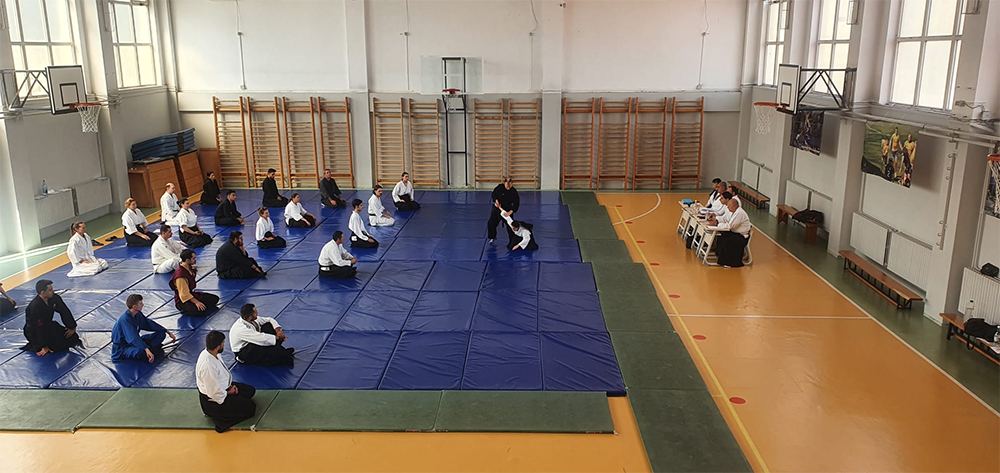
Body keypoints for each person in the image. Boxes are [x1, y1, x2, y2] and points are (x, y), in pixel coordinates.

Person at [197, 331, 256, 433]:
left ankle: (230, 404)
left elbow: (220, 378)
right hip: (213, 401)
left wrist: (230, 386)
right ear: (218, 347)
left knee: (250, 390)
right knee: (250, 408)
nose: (224, 344)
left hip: (223, 388)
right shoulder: (208, 366)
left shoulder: (212, 353)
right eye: (223, 343)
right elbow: (213, 393)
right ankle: (219, 419)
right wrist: (229, 392)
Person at [111, 294, 176, 363]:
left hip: (135, 342)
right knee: (140, 352)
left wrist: (166, 331)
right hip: (124, 347)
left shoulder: (138, 314)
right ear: (134, 306)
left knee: (161, 334)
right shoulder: (125, 320)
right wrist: (146, 349)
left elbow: (148, 323)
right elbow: (133, 337)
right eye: (140, 303)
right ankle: (147, 350)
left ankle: (148, 349)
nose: (143, 305)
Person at [22, 279, 80, 355]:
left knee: (73, 337)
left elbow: (64, 311)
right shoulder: (35, 307)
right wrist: (43, 345)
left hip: (49, 325)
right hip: (35, 331)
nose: (53, 291)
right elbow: (38, 327)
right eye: (50, 290)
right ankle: (44, 345)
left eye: (52, 289)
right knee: (55, 346)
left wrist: (71, 326)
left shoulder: (54, 298)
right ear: (43, 293)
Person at [169, 249, 220, 317]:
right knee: (201, 311)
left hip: (191, 293)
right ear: (187, 260)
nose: (195, 260)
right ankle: (185, 308)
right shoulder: (180, 276)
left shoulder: (189, 267)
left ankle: (199, 304)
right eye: (193, 258)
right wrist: (197, 302)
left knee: (214, 299)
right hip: (182, 300)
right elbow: (184, 294)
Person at [707, 198, 752, 268]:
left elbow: (730, 226)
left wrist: (717, 224)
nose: (727, 207)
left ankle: (729, 262)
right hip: (734, 233)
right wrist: (715, 219)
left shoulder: (739, 213)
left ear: (734, 206)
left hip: (741, 236)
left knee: (726, 240)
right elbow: (725, 219)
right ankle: (721, 258)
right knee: (721, 236)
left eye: (729, 206)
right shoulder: (732, 212)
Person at [487, 177, 519, 243]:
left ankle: (512, 241)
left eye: (510, 185)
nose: (508, 187)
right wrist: (496, 201)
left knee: (511, 226)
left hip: (508, 210)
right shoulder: (499, 188)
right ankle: (492, 237)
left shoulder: (513, 192)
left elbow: (516, 203)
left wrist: (510, 212)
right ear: (504, 183)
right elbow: (494, 194)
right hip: (498, 209)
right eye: (507, 185)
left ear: (512, 184)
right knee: (491, 223)